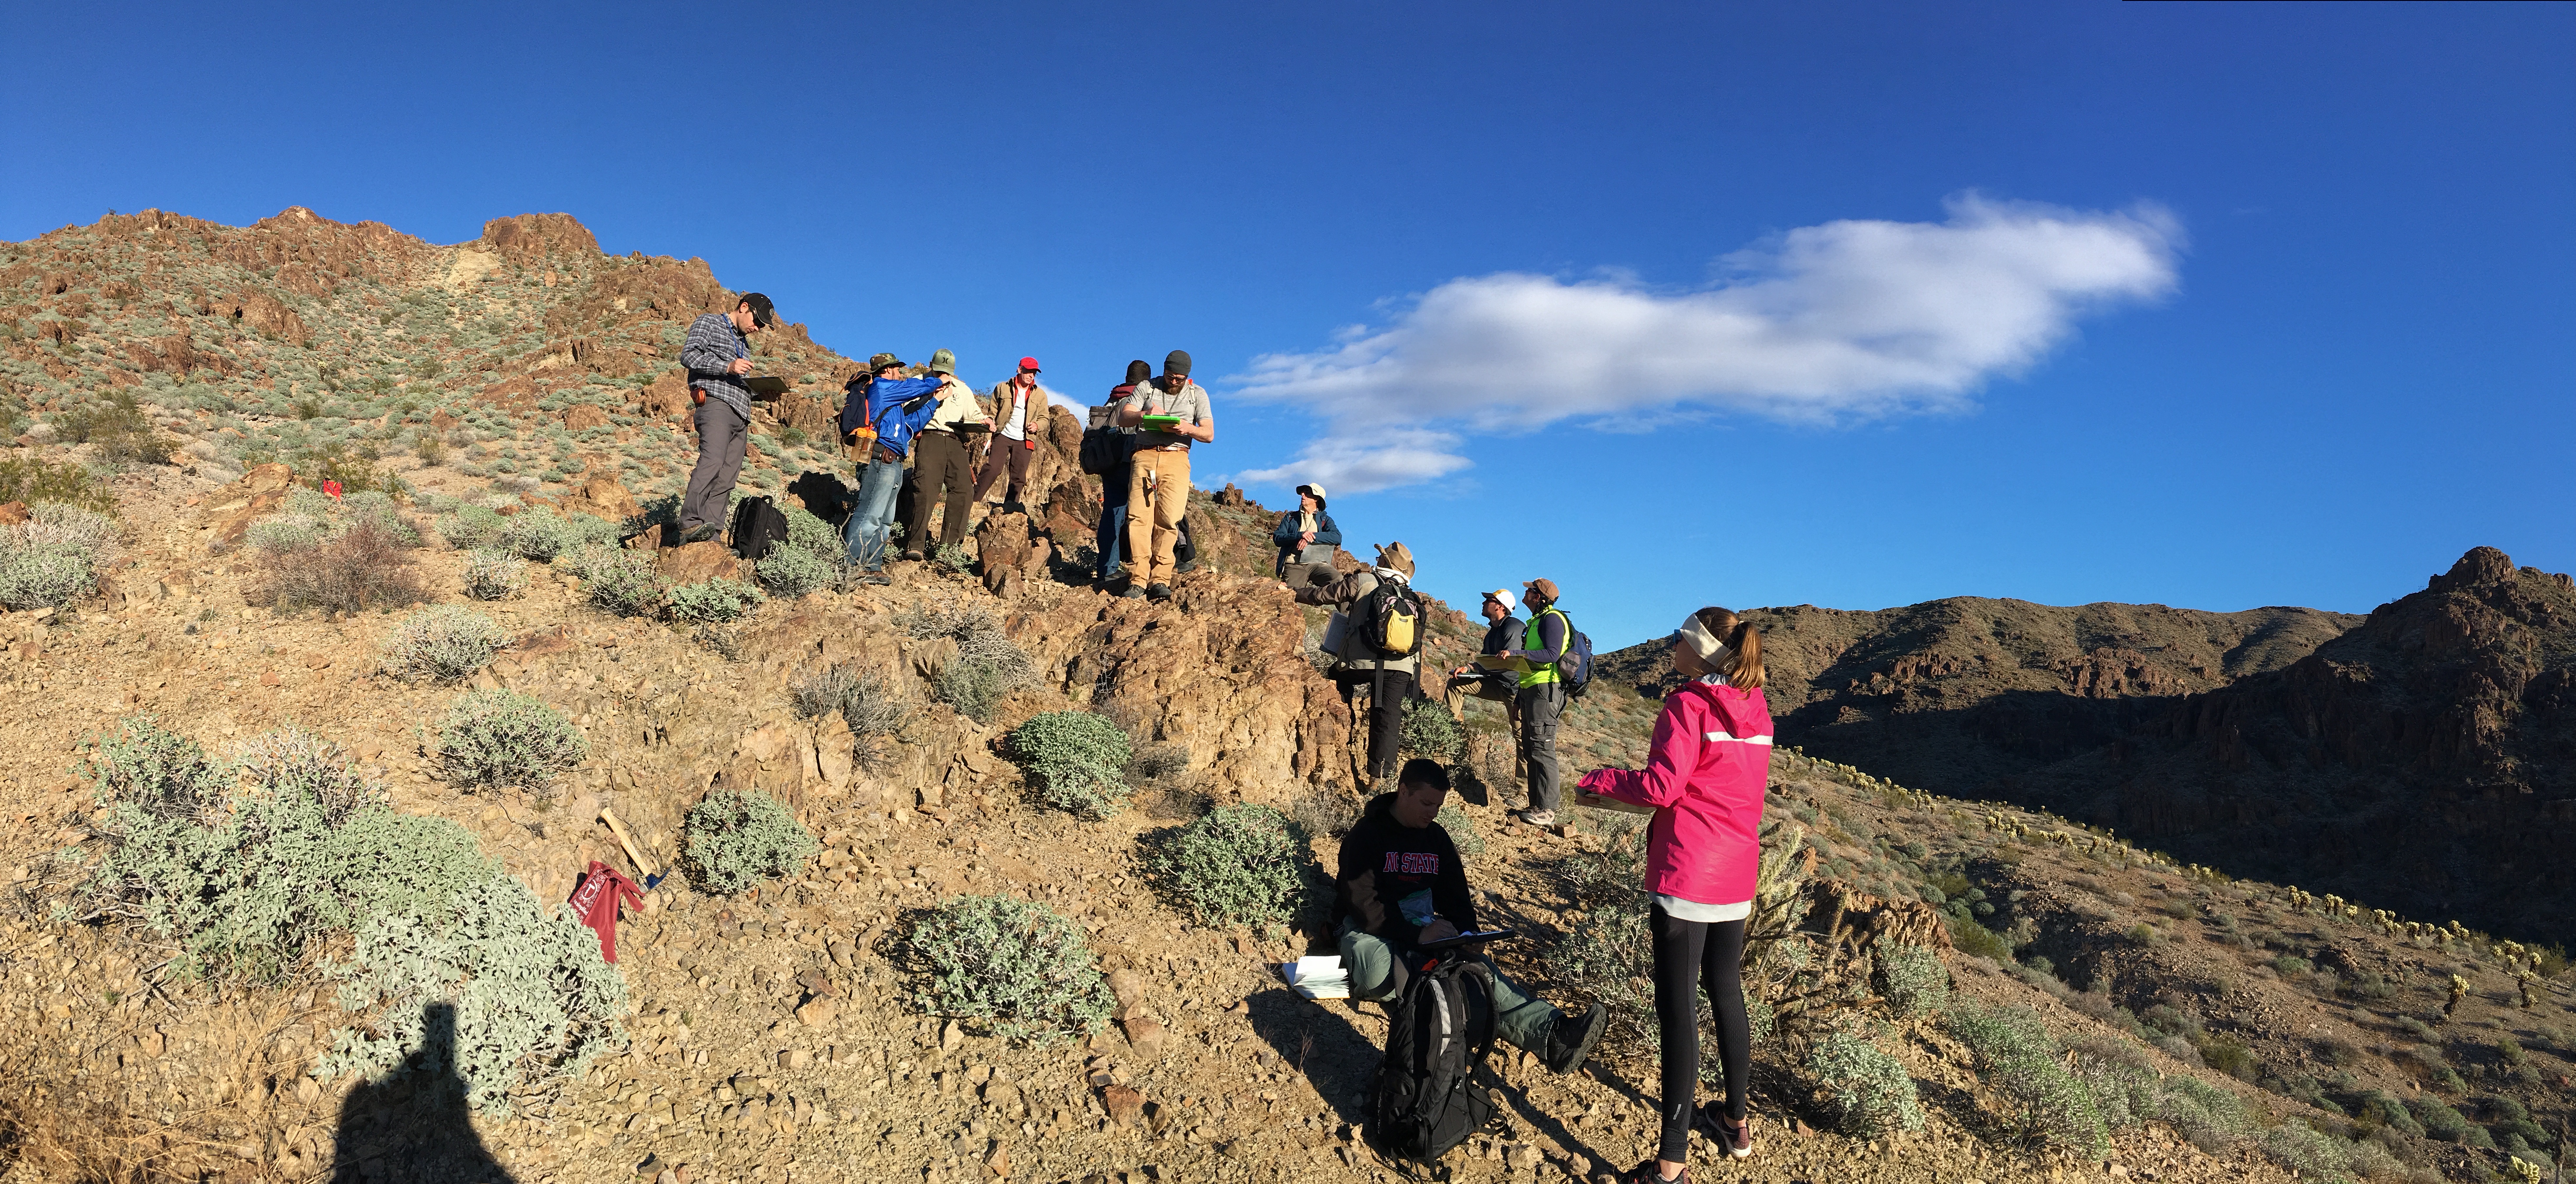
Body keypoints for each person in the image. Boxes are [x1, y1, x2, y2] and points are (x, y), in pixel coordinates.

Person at [1576, 608, 1771, 1181]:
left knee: (1678, 1013)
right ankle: (1735, 1122)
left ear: (1703, 652)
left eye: (1681, 640)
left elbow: (1662, 787)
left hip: (1687, 875)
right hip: (1737, 875)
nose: (1672, 646)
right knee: (1727, 991)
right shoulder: (1756, 710)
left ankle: (1669, 1165)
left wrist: (1598, 781)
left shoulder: (1687, 705)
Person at [1334, 759, 1607, 1072]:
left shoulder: (1436, 839)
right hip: (1369, 929)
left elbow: (1456, 897)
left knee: (1478, 971)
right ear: (1403, 791)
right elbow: (1364, 904)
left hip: (1421, 931)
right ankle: (1448, 999)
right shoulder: (1366, 835)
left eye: (1438, 805)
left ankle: (1554, 1034)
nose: (1432, 813)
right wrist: (1416, 935)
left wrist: (1468, 933)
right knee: (1376, 972)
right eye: (1426, 803)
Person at [1297, 541, 1420, 785]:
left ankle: (1340, 726)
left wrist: (1292, 592)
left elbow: (1324, 595)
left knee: (1337, 679)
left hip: (1362, 663)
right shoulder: (1411, 596)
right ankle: (1380, 777)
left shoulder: (1364, 580)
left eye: (1381, 557)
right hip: (1402, 667)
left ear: (1385, 562)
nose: (1377, 559)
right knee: (1388, 716)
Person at [1112, 350, 1213, 601]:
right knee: (1138, 518)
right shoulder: (1147, 387)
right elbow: (1123, 417)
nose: (1175, 382)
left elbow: (1209, 434)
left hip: (1177, 457)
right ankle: (1137, 580)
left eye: (1180, 378)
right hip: (1144, 455)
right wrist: (1145, 415)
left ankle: (1160, 580)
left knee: (1169, 518)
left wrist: (1187, 428)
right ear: (1164, 370)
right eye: (1171, 376)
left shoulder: (1197, 394)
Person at [838, 353, 945, 584]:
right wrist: (937, 379)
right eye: (897, 369)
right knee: (870, 514)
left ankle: (872, 566)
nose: (900, 373)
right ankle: (855, 565)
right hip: (880, 460)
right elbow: (911, 388)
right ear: (887, 370)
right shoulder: (882, 388)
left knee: (885, 519)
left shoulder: (893, 403)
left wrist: (935, 402)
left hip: (894, 462)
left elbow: (910, 426)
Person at [677, 293, 774, 542]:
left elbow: (737, 385)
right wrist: (727, 367)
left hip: (741, 414)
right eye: (758, 322)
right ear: (744, 308)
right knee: (712, 462)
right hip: (716, 405)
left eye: (762, 326)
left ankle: (712, 535)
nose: (758, 328)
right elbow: (689, 356)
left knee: (728, 477)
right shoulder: (709, 323)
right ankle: (690, 523)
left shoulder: (745, 345)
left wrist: (762, 394)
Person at [901, 348, 992, 560]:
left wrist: (985, 421)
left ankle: (949, 550)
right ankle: (916, 546)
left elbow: (975, 415)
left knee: (964, 491)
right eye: (938, 370)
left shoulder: (962, 389)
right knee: (925, 490)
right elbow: (903, 409)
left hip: (955, 441)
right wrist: (915, 427)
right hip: (929, 438)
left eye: (946, 372)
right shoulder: (917, 382)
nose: (942, 375)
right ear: (931, 365)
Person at [1504, 577, 1573, 827]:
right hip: (1532, 690)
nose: (1525, 592)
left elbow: (1552, 654)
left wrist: (1517, 653)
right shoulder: (1537, 621)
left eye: (1529, 590)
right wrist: (1520, 699)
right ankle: (1536, 805)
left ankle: (1547, 809)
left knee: (1543, 748)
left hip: (1546, 691)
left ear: (1539, 597)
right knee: (1533, 748)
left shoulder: (1552, 619)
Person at [1439, 589, 1526, 750]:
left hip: (1515, 691)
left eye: (1489, 601)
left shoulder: (1514, 627)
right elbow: (1485, 662)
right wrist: (1468, 669)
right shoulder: (1492, 633)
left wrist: (1481, 667)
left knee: (1522, 738)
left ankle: (1525, 776)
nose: (1484, 603)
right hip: (1496, 684)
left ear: (1500, 607)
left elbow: (1511, 662)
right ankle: (1443, 731)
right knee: (1456, 683)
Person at [1093, 361, 1149, 585]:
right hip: (1132, 462)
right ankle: (1146, 567)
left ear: (1127, 377)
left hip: (1108, 463)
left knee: (1112, 515)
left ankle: (1107, 570)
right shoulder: (1141, 400)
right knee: (1143, 515)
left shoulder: (1113, 398)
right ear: (1146, 381)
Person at [974, 356, 1046, 512]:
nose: (1031, 375)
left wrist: (1037, 425)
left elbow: (1044, 418)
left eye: (1034, 372)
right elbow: (992, 413)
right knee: (993, 468)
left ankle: (1010, 509)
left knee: (1019, 477)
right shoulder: (1002, 388)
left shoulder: (1040, 395)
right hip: (1003, 434)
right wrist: (989, 438)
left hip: (1024, 440)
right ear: (1020, 370)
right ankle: (974, 501)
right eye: (1028, 371)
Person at [1271, 482, 1342, 586]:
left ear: (1316, 499)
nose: (1303, 495)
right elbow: (1278, 538)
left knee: (1338, 580)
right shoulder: (1291, 517)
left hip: (1317, 564)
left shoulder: (1325, 520)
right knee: (1292, 597)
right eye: (1303, 492)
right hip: (1294, 565)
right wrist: (1300, 535)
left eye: (1308, 493)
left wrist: (1311, 537)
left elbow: (1337, 537)